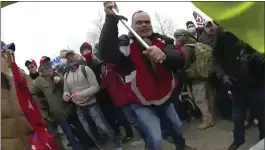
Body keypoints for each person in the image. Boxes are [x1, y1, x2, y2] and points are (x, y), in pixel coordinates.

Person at [99, 2, 196, 150]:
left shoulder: (162, 40)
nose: (144, 25)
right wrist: (111, 20)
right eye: (139, 23)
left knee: (176, 127)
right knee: (155, 137)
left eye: (147, 22)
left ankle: (181, 146)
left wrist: (165, 55)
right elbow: (106, 53)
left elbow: (180, 59)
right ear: (132, 25)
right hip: (141, 102)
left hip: (164, 98)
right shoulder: (125, 44)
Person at [213, 26, 265, 150]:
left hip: (258, 83)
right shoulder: (222, 33)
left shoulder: (256, 28)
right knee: (238, 115)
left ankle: (262, 140)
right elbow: (216, 58)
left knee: (263, 115)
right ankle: (238, 140)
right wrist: (223, 75)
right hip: (236, 84)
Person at [62, 50, 122, 150]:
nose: (69, 59)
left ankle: (116, 145)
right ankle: (102, 147)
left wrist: (81, 94)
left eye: (70, 56)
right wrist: (65, 95)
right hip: (79, 108)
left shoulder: (85, 69)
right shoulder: (66, 75)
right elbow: (65, 90)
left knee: (103, 128)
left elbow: (95, 87)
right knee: (90, 131)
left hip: (92, 105)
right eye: (66, 58)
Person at [32, 56, 83, 150]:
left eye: (49, 64)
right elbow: (39, 100)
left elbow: (68, 86)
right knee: (69, 135)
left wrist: (61, 80)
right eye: (46, 66)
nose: (49, 67)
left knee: (80, 129)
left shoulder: (58, 74)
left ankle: (88, 145)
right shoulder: (38, 82)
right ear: (41, 68)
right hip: (57, 113)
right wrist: (46, 115)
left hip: (69, 109)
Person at [174, 29, 215, 130]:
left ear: (184, 36)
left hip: (196, 76)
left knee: (200, 100)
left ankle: (207, 121)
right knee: (210, 97)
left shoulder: (186, 48)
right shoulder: (197, 44)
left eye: (178, 36)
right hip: (206, 74)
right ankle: (211, 116)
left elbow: (184, 64)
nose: (177, 39)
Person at [1, 42, 34, 150]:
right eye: (4, 54)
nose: (9, 56)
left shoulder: (19, 74)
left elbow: (35, 98)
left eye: (9, 53)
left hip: (32, 140)